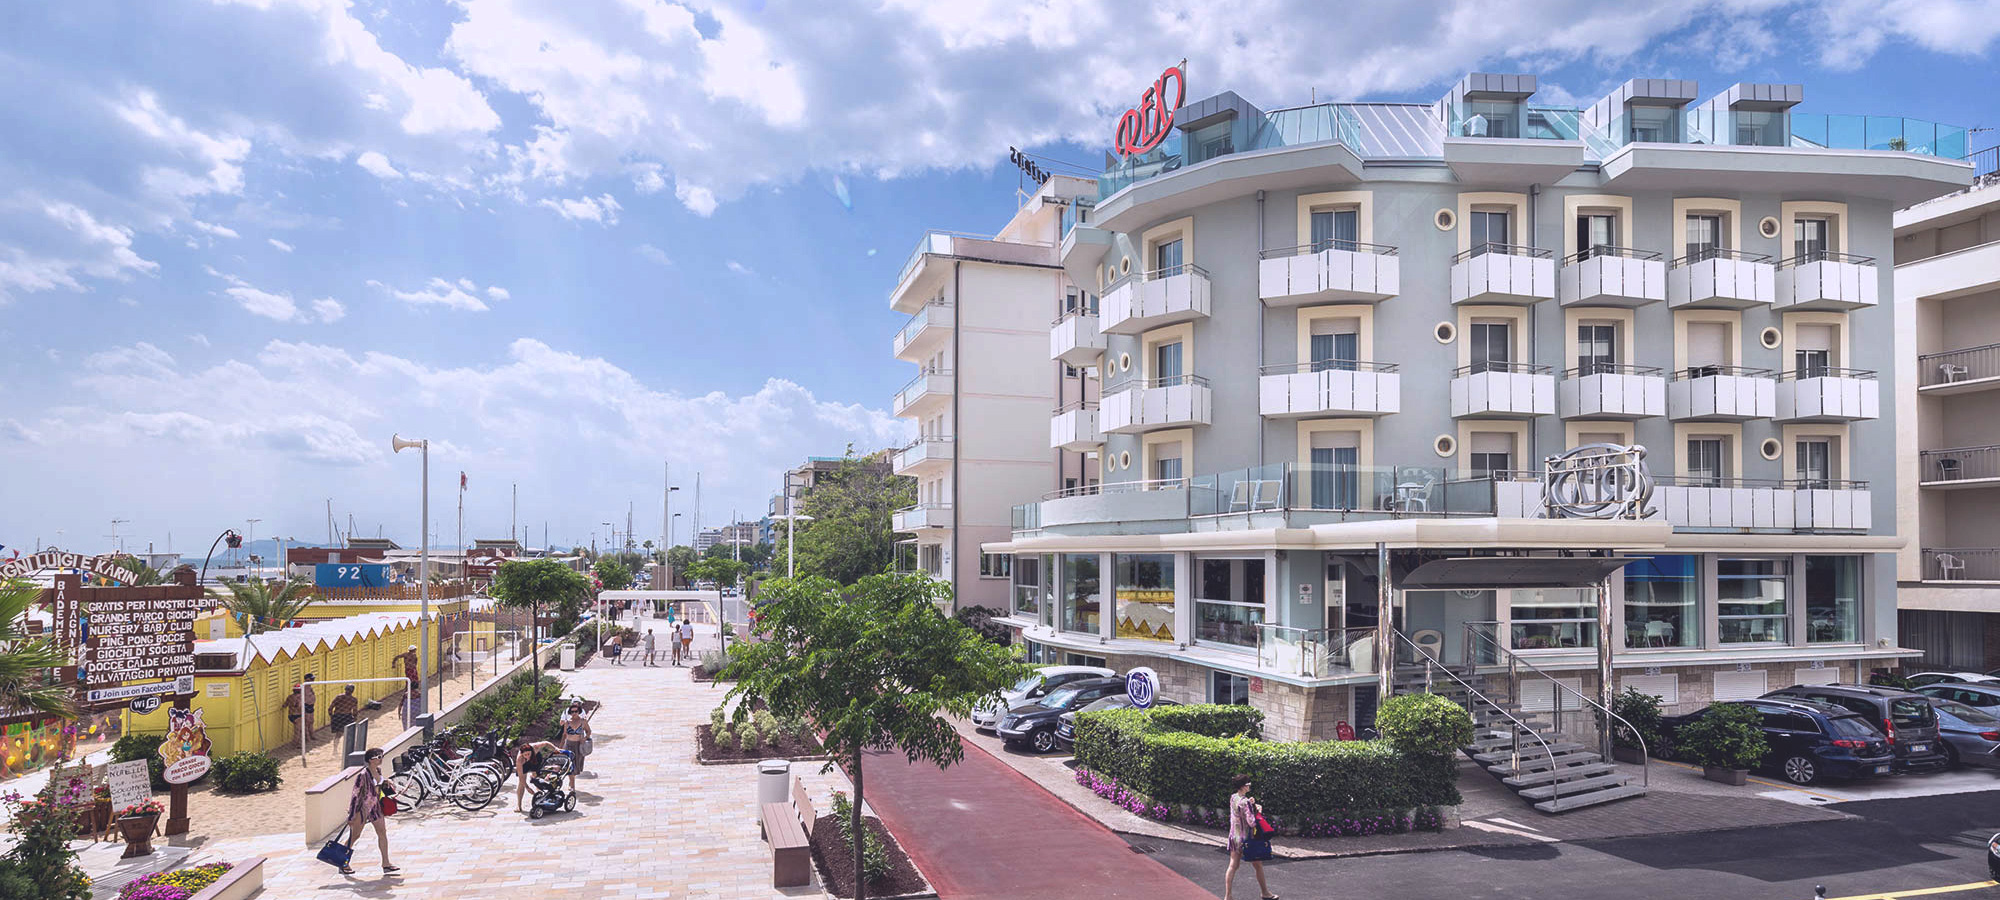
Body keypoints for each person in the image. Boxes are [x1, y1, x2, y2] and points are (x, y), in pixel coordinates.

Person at [340, 748, 399, 877]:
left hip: (375, 807)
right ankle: (343, 862)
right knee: (355, 836)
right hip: (362, 809)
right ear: (370, 760)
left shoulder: (378, 770)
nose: (381, 759)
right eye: (378, 757)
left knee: (382, 833)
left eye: (381, 756)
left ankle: (386, 863)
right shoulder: (362, 775)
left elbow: (377, 786)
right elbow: (355, 795)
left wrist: (386, 783)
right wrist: (352, 815)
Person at [1224, 774, 1277, 900]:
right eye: (1248, 784)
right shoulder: (1245, 802)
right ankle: (1265, 893)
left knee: (1233, 866)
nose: (1249, 786)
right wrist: (1257, 810)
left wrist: (1250, 804)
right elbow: (1252, 822)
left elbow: (1239, 812)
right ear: (1243, 786)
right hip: (1247, 839)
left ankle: (1228, 896)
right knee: (1258, 865)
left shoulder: (1233, 797)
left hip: (1234, 836)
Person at [512, 738, 564, 812]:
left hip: (536, 758)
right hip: (524, 764)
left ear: (532, 751)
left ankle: (540, 794)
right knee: (521, 783)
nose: (527, 756)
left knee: (536, 777)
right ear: (522, 754)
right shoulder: (520, 760)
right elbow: (521, 778)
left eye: (528, 754)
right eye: (525, 755)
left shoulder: (535, 747)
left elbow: (546, 743)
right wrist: (527, 787)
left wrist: (555, 748)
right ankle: (519, 805)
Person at [559, 703, 591, 791]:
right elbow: (564, 735)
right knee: (570, 765)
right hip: (569, 745)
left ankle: (572, 782)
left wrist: (585, 738)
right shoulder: (567, 722)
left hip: (578, 746)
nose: (574, 713)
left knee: (576, 765)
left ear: (579, 711)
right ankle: (572, 783)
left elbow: (588, 731)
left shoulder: (583, 722)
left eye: (576, 711)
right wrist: (560, 747)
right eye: (572, 711)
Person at [302, 674, 318, 740]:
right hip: (306, 705)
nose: (313, 680)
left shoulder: (310, 687)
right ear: (307, 679)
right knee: (306, 722)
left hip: (311, 705)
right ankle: (307, 737)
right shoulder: (304, 687)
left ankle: (312, 734)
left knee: (311, 721)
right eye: (312, 679)